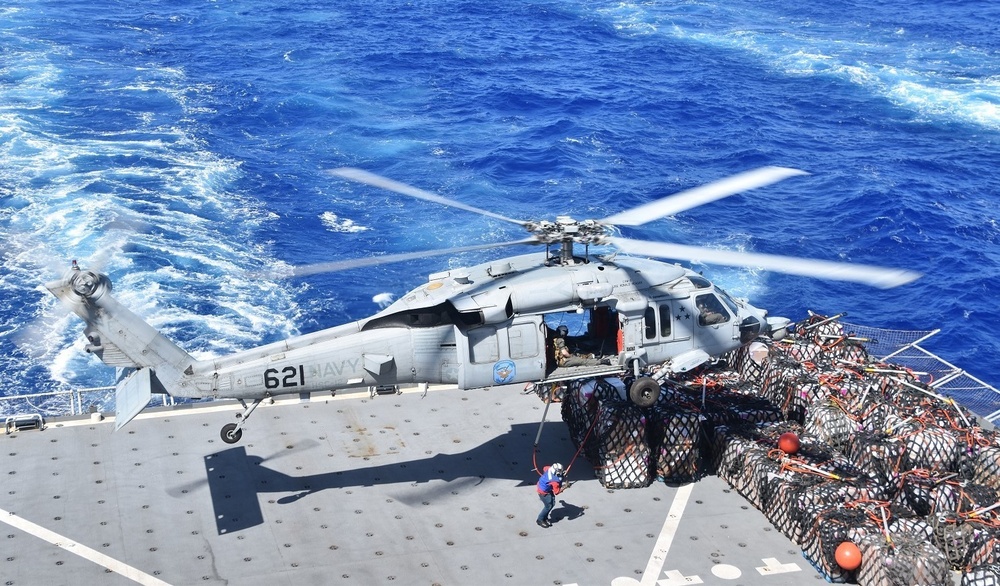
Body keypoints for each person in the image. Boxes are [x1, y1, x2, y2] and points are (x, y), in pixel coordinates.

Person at [536, 462, 565, 528]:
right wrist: (565, 486)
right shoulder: (554, 481)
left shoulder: (548, 469)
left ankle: (545, 518)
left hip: (542, 486)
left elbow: (544, 468)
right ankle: (540, 520)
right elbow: (557, 492)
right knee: (548, 506)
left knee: (552, 503)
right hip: (544, 492)